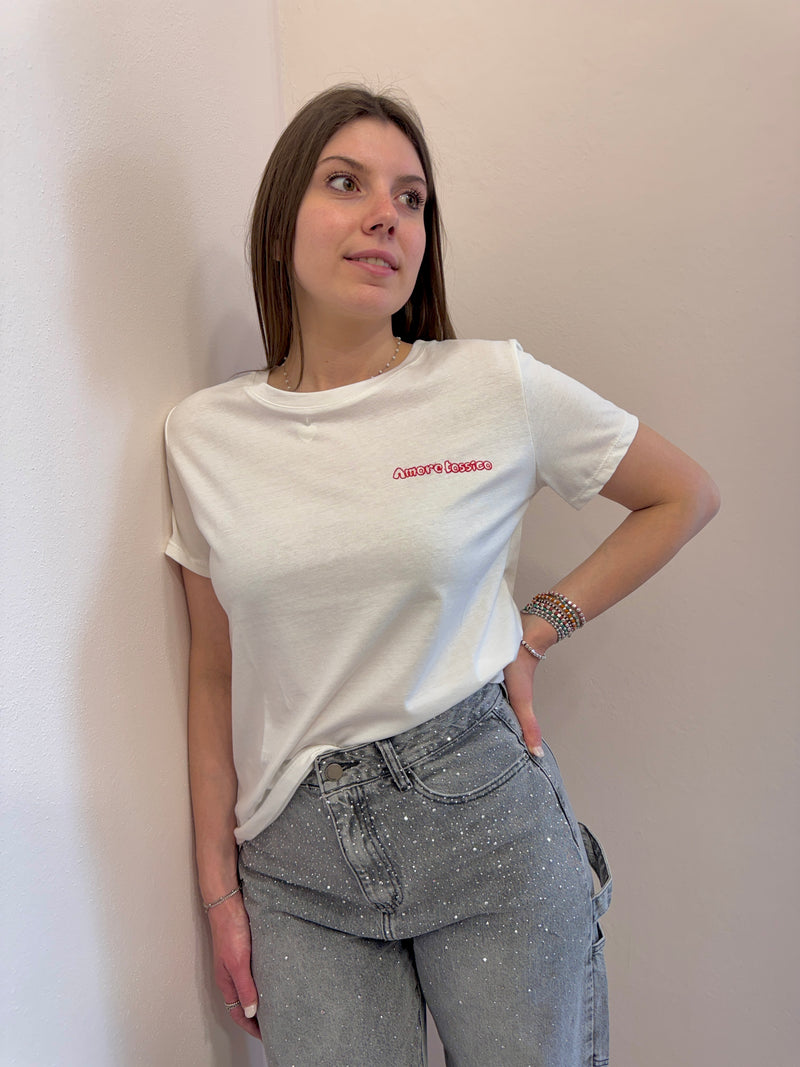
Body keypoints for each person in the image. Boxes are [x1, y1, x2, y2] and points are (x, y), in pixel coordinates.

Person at [164, 85, 719, 1067]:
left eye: (411, 198)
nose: (387, 215)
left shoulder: (489, 384)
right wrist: (219, 892)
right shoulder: (204, 433)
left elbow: (681, 495)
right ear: (280, 222)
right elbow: (215, 671)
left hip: (486, 825)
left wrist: (536, 628)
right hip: (296, 866)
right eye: (347, 183)